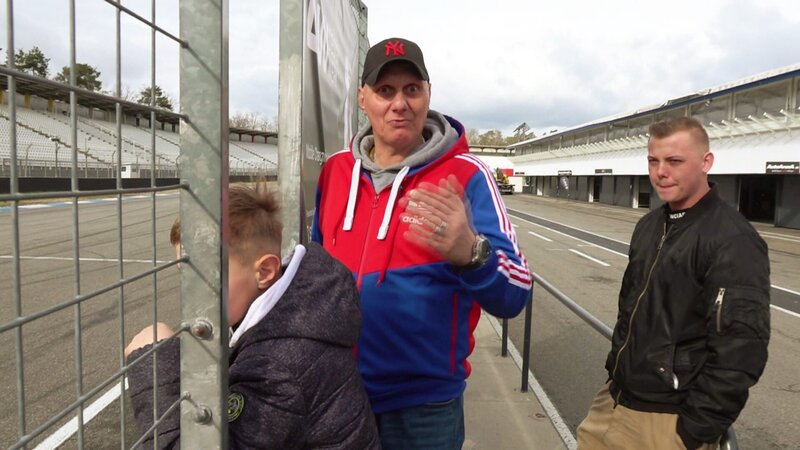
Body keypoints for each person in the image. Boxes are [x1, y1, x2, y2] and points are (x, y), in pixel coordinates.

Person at [311, 37, 531, 449]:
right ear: (363, 98)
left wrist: (473, 254)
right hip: (336, 393)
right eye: (385, 91)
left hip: (424, 409)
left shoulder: (468, 174)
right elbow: (315, 274)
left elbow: (516, 293)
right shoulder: (336, 171)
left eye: (412, 90)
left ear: (428, 95)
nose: (400, 104)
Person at [125, 184, 380, 449]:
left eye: (204, 273)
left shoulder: (277, 368)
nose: (190, 292)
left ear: (265, 271)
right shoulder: (303, 306)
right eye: (184, 274)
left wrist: (153, 365)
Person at [576, 117, 771, 450]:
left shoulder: (732, 239)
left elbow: (741, 350)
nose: (660, 172)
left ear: (706, 162)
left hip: (667, 422)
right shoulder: (650, 225)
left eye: (674, 161)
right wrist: (614, 379)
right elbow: (630, 311)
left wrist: (692, 432)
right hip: (612, 402)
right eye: (653, 161)